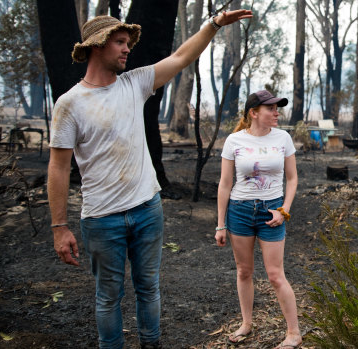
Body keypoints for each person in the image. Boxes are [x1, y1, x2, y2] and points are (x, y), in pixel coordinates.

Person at [47, 10, 252, 349]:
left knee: (149, 287)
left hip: (147, 209)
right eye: (120, 42)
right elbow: (57, 167)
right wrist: (59, 227)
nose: (127, 49)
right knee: (108, 296)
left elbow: (182, 56)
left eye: (128, 43)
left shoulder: (135, 82)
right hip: (101, 218)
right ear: (98, 46)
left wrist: (214, 25)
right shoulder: (70, 104)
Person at [215, 90, 302, 349]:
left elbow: (292, 178)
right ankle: (246, 323)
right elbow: (225, 184)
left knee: (275, 275)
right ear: (254, 113)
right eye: (271, 108)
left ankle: (294, 333)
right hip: (239, 210)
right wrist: (221, 224)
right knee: (244, 271)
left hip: (272, 212)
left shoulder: (283, 138)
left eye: (277, 108)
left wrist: (284, 209)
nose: (277, 112)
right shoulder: (234, 141)